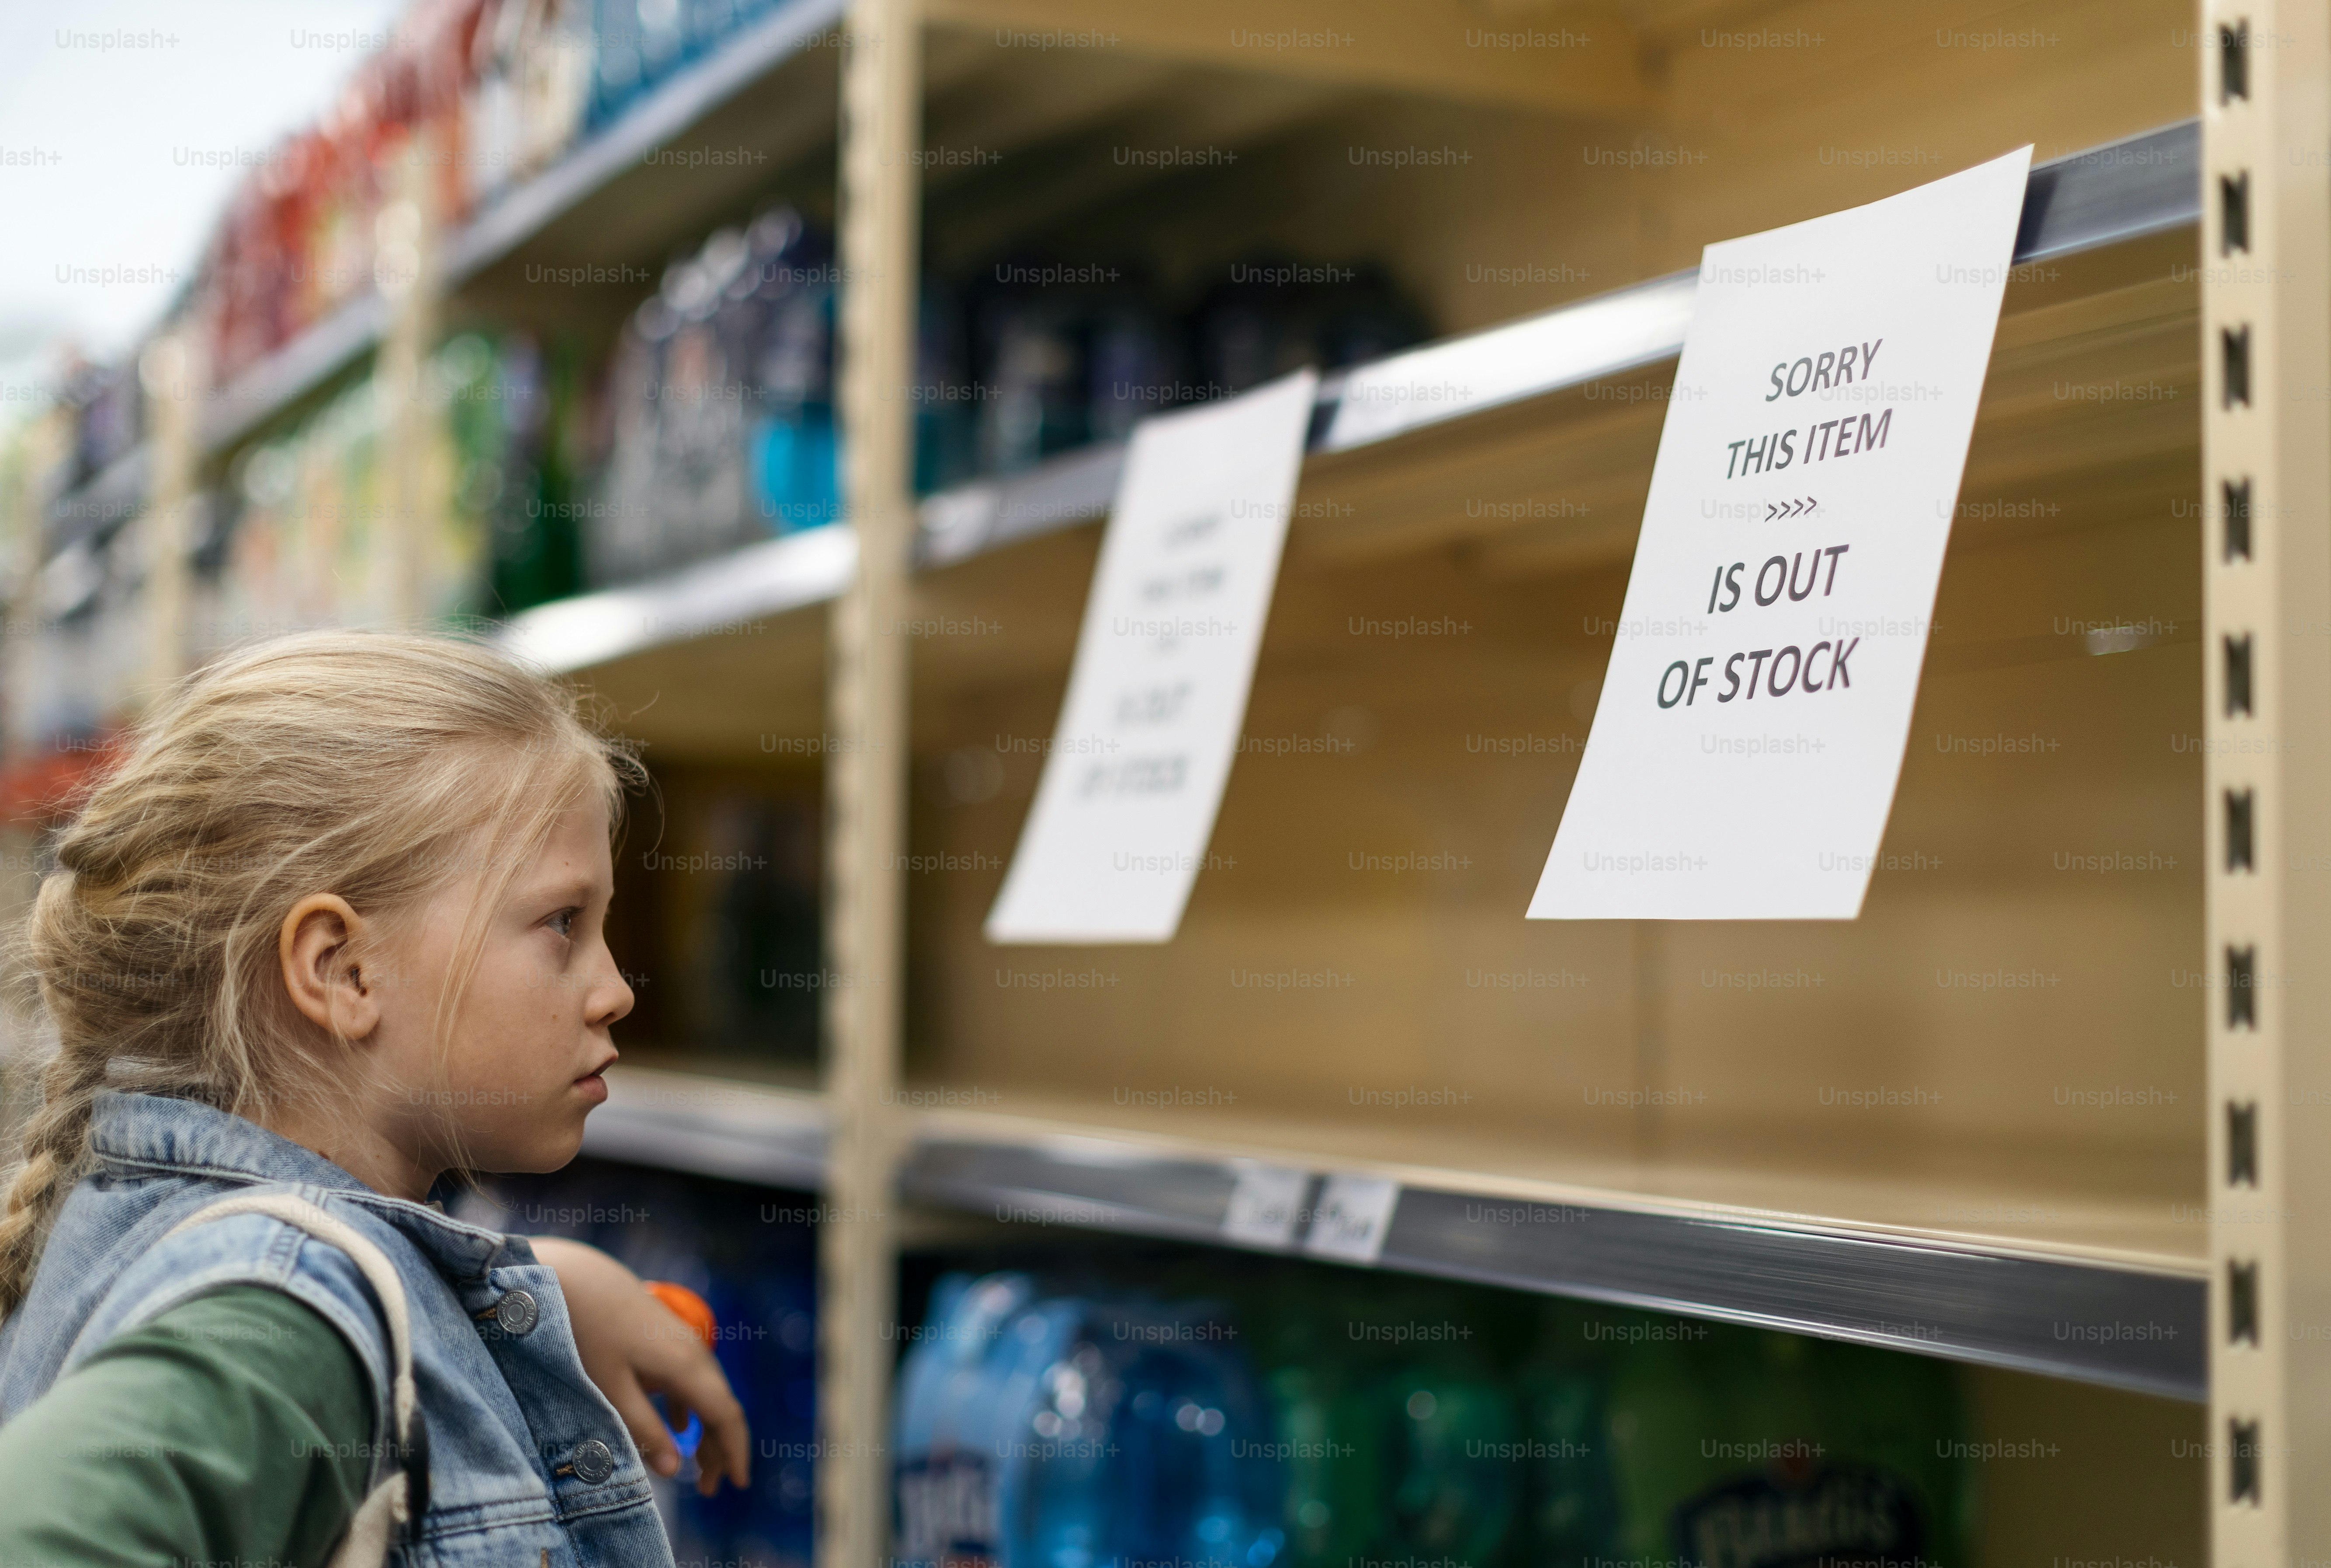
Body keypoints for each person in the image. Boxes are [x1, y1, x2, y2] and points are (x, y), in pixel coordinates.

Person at [0, 630, 749, 1565]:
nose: (614, 989)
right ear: (344, 970)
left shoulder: (150, 1228)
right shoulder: (279, 1322)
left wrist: (527, 1291)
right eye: (562, 922)